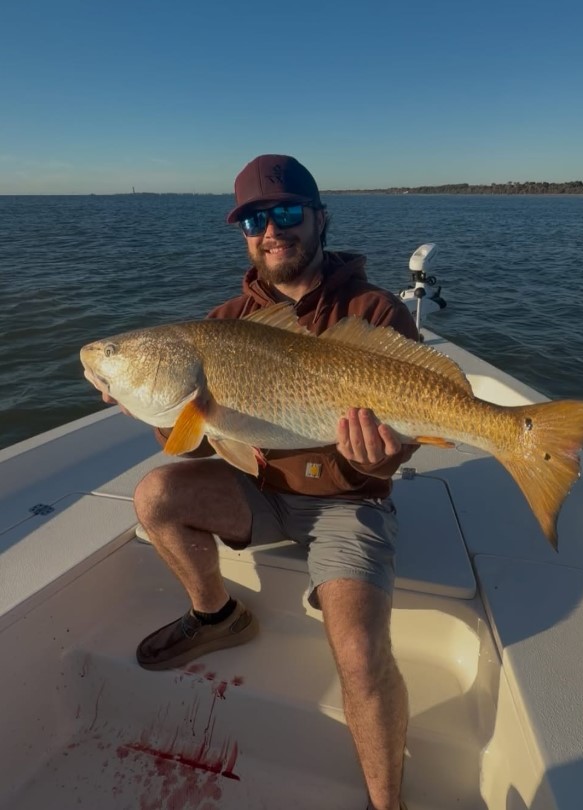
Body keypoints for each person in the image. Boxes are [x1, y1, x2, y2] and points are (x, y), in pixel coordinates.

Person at [118, 155, 418, 810]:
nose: (271, 229)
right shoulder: (222, 324)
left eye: (286, 213)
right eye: (255, 218)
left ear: (319, 218)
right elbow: (196, 442)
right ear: (244, 232)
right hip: (256, 492)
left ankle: (387, 804)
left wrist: (375, 460)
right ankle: (217, 615)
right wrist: (152, 403)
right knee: (154, 495)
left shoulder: (374, 310)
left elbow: (400, 450)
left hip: (347, 504)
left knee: (362, 656)